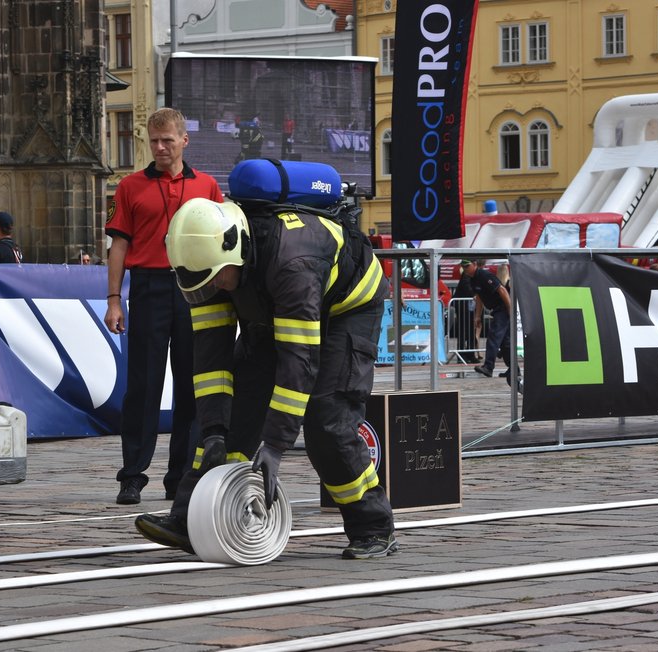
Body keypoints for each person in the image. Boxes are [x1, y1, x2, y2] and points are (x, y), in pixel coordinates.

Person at [135, 197, 399, 560]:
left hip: (346, 309)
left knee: (326, 418)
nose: (209, 289)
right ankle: (190, 519)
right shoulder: (206, 268)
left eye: (214, 281)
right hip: (273, 305)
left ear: (235, 250)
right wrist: (213, 430)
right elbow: (212, 362)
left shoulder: (293, 262)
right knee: (234, 415)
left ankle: (373, 526)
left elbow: (299, 362)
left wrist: (274, 446)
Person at [104, 108, 224, 505]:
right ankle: (133, 475)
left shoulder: (207, 185)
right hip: (149, 289)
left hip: (196, 290)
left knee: (194, 385)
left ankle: (181, 477)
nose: (159, 147)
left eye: (167, 140)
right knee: (143, 386)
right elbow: (118, 245)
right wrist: (113, 300)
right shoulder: (130, 187)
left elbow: (224, 242)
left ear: (183, 141)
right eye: (153, 141)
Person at [461, 259, 519, 386]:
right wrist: (477, 316)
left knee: (493, 337)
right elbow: (480, 298)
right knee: (505, 343)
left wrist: (510, 311)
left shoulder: (484, 275)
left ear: (475, 264)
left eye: (467, 266)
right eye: (463, 267)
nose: (465, 269)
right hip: (497, 309)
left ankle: (488, 367)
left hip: (503, 308)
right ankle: (515, 370)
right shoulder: (473, 279)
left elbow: (502, 291)